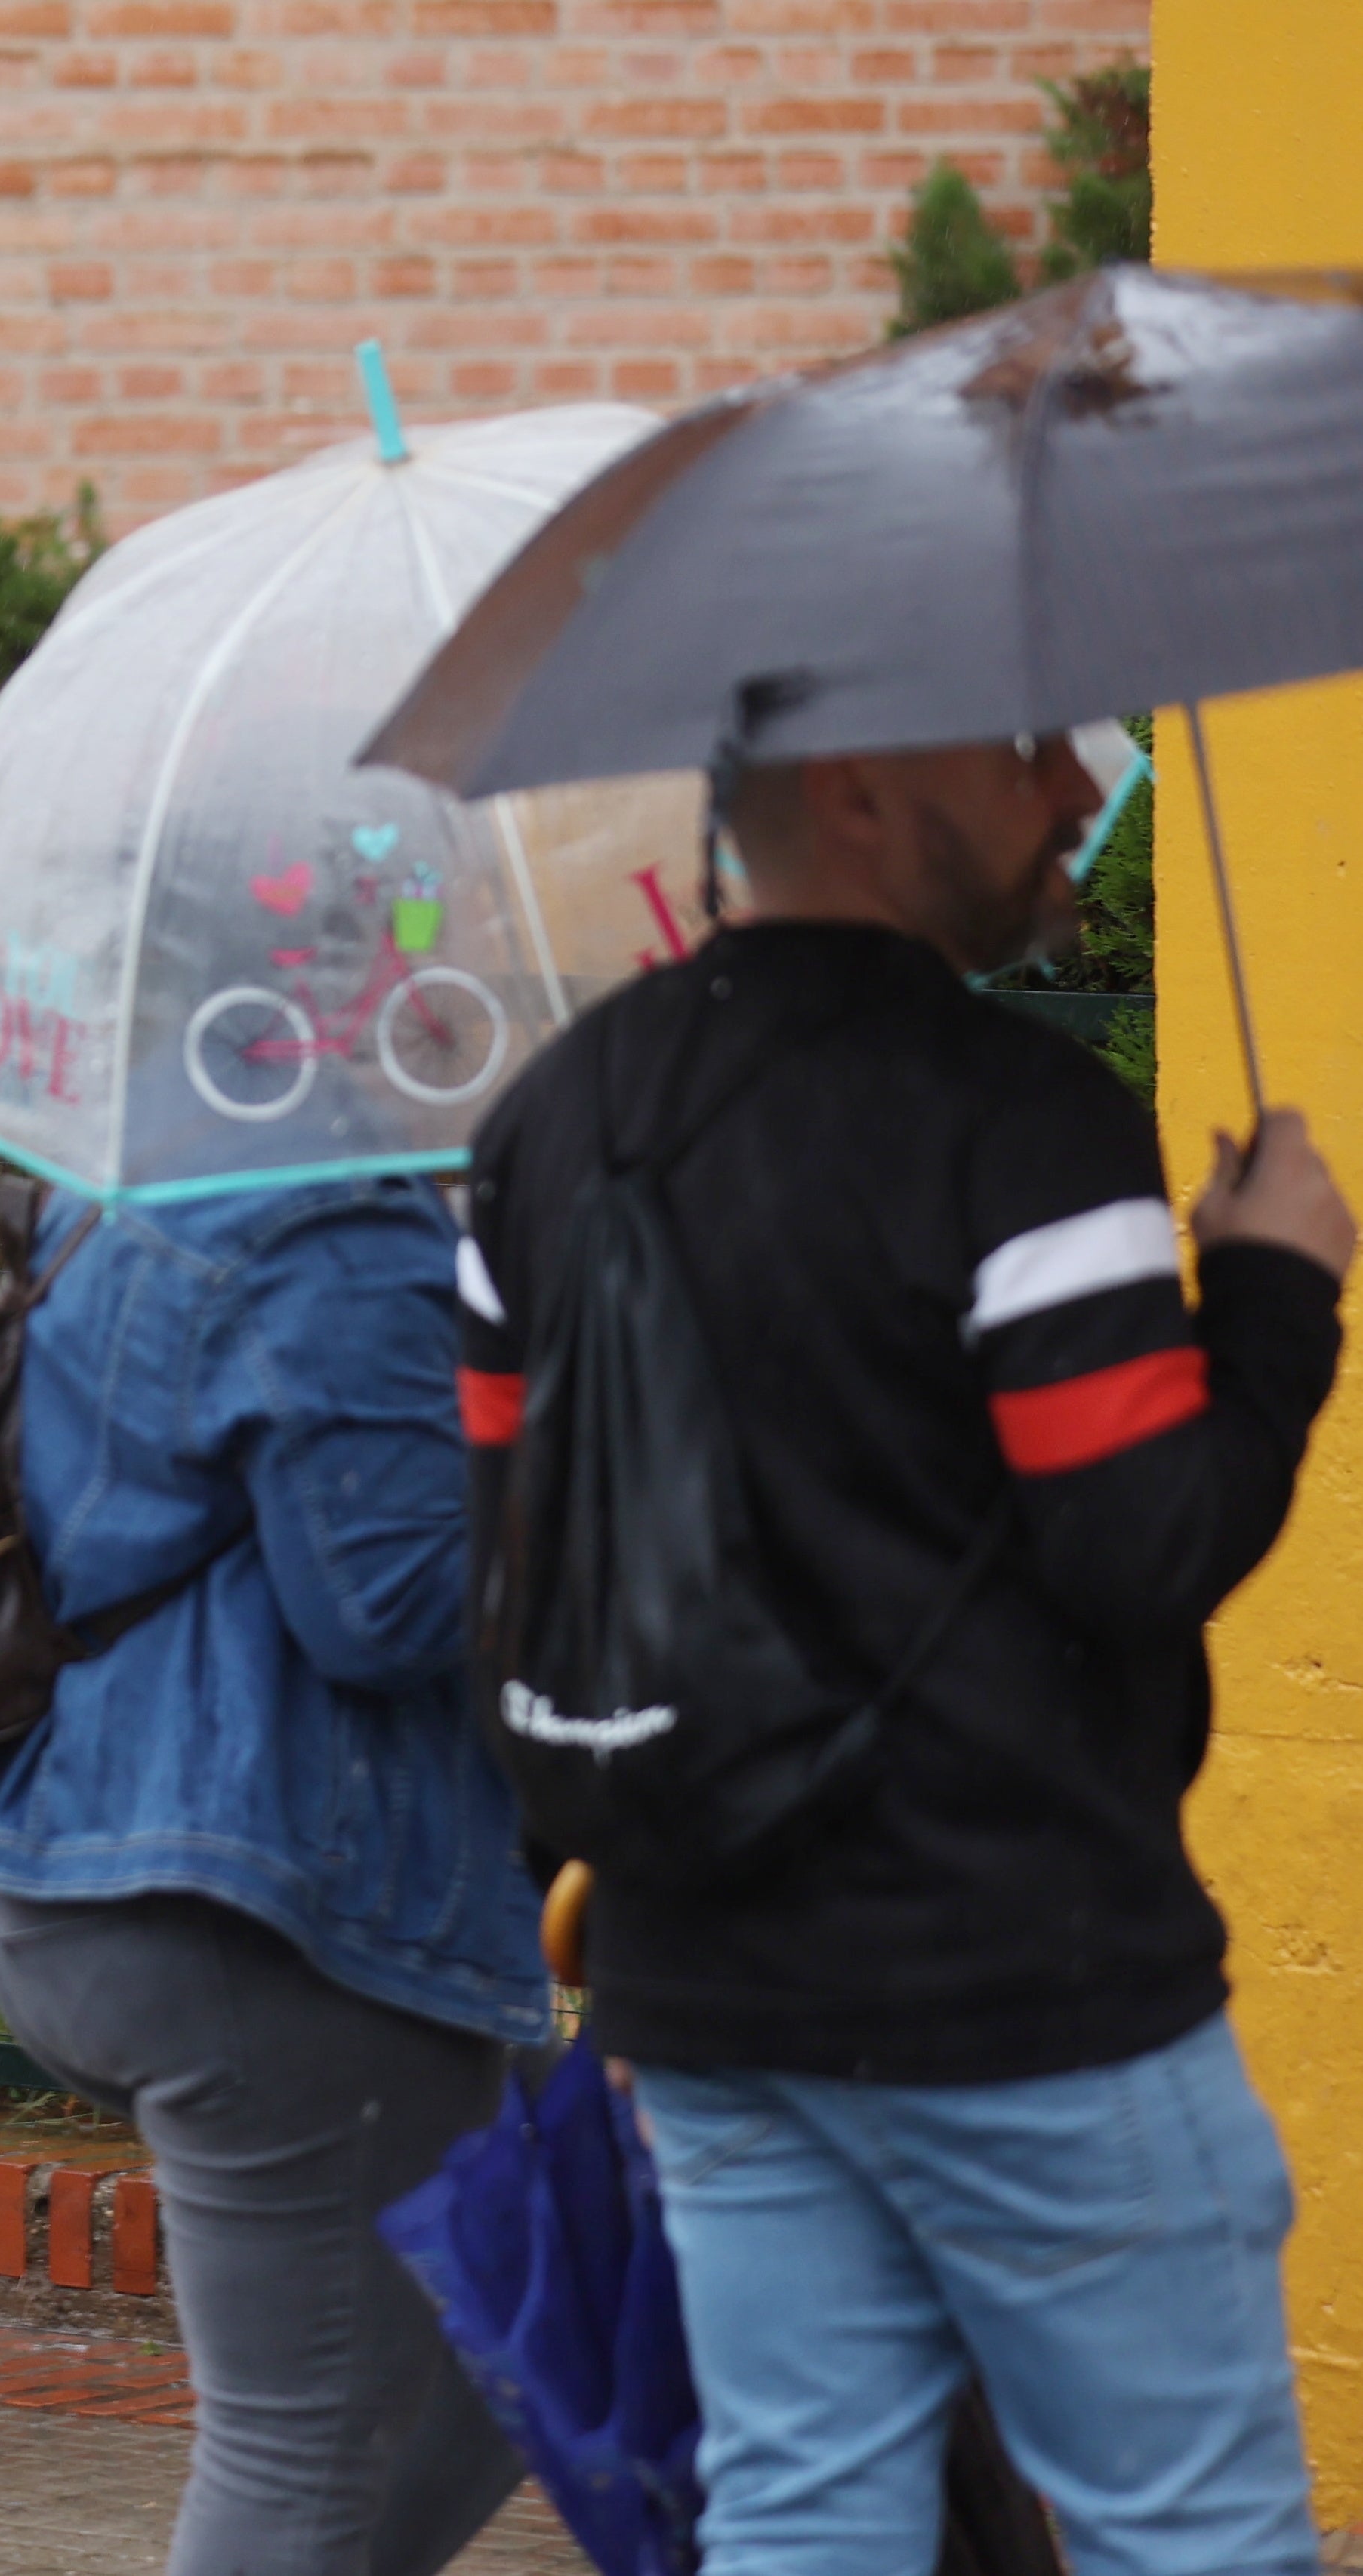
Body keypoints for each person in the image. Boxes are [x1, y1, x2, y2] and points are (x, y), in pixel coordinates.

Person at [459, 735, 1352, 2574]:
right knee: (1188, 2531)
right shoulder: (1022, 1120)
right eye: (1022, 756)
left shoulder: (539, 1125)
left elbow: (517, 1575)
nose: (1073, 792)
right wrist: (1274, 1285)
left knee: (802, 2514)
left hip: (706, 1993)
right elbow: (1143, 1545)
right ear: (858, 784)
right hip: (1027, 1984)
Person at [0, 1163, 553, 2574]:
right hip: (266, 1896)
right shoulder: (330, 1221)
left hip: (96, 1849)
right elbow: (386, 1605)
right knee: (300, 2448)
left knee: (548, 2293)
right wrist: (590, 1473)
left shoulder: (122, 1182)